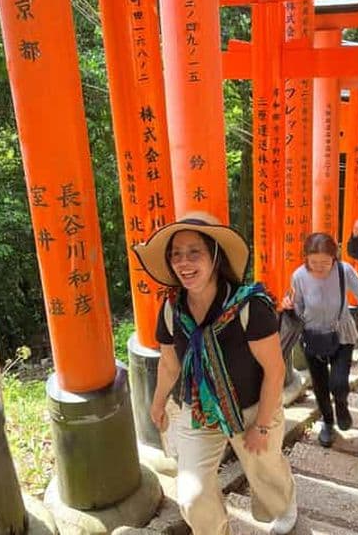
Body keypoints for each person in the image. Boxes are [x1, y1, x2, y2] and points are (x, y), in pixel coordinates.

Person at [134, 212, 297, 535]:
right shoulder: (171, 309)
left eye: (194, 252)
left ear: (215, 257)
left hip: (252, 408)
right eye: (176, 255)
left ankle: (284, 506)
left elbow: (275, 370)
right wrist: (156, 403)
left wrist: (262, 426)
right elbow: (169, 364)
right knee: (192, 495)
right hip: (199, 408)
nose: (184, 262)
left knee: (265, 470)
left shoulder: (250, 306)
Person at [284, 232, 358, 448]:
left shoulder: (343, 271)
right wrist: (290, 308)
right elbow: (298, 306)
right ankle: (328, 423)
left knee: (338, 383)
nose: (319, 266)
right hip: (312, 336)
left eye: (325, 262)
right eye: (313, 261)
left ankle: (342, 404)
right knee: (319, 385)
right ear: (306, 258)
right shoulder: (299, 276)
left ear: (334, 258)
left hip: (341, 334)